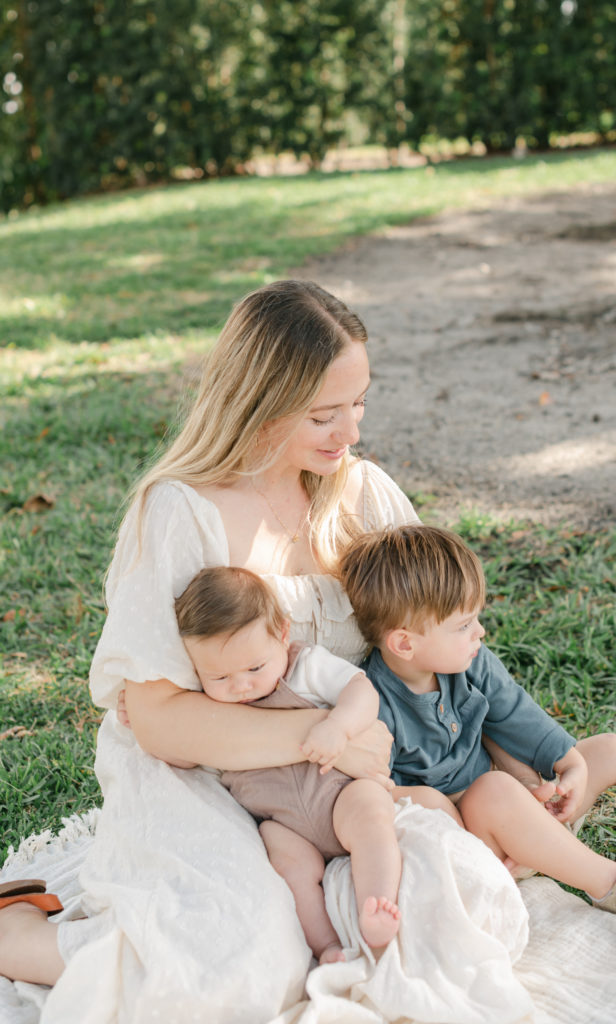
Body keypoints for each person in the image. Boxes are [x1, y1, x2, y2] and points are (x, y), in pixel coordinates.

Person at [0, 280, 450, 1011]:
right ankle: (20, 935)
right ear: (261, 403)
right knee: (240, 960)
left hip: (337, 781)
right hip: (200, 772)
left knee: (437, 904)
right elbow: (158, 719)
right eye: (324, 413)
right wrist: (322, 734)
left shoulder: (361, 496)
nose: (351, 432)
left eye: (359, 403)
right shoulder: (181, 510)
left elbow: (431, 641)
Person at [338, 523, 616, 932]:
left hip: (519, 815)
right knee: (492, 790)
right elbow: (385, 794)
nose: (479, 632)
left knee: (609, 749)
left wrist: (568, 762)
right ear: (404, 644)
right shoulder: (372, 701)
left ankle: (547, 841)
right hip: (474, 841)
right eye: (464, 624)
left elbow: (514, 710)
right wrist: (468, 815)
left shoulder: (469, 661)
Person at [172, 565, 463, 961]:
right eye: (219, 677)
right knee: (288, 868)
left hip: (339, 793)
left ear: (283, 635)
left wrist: (339, 727)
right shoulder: (209, 708)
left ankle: (376, 905)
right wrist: (141, 724)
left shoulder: (305, 667)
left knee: (370, 820)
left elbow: (361, 690)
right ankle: (325, 946)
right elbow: (186, 752)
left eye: (255, 668)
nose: (241, 685)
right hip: (282, 822)